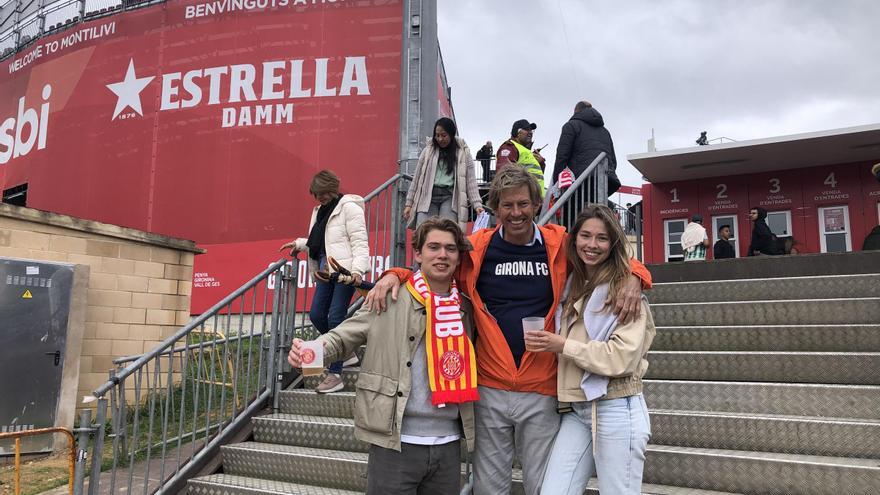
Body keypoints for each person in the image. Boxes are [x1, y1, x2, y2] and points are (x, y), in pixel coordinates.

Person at [365, 166, 652, 495]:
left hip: (541, 389)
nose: (516, 213)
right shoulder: (475, 249)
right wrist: (395, 274)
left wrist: (635, 276)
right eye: (507, 205)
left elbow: (605, 250)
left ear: (537, 204)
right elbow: (434, 267)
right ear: (495, 208)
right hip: (489, 388)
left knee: (542, 487)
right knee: (490, 488)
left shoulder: (559, 243)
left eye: (523, 204)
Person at [287, 217, 478, 494]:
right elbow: (343, 337)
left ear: (459, 257)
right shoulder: (388, 297)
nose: (442, 255)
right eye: (433, 247)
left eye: (450, 249)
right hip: (395, 442)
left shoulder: (467, 307)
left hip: (448, 446)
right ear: (418, 253)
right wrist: (309, 354)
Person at [526, 204, 655, 495]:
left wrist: (562, 345)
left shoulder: (626, 292)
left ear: (613, 244)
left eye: (602, 238)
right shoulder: (573, 281)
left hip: (616, 405)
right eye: (585, 236)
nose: (592, 245)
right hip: (578, 408)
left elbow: (620, 358)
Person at [280, 170, 368, 393]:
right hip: (324, 270)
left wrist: (357, 270)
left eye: (323, 193)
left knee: (336, 316)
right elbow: (321, 239)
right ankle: (346, 353)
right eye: (316, 194)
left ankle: (335, 374)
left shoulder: (349, 208)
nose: (319, 198)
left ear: (332, 189)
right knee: (317, 315)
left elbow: (359, 242)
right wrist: (300, 244)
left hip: (345, 271)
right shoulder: (319, 211)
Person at [403, 117, 485, 231]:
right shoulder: (428, 151)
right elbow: (417, 178)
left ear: (451, 134)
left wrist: (477, 205)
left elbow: (471, 182)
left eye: (444, 135)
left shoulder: (463, 153)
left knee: (447, 232)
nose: (440, 139)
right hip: (427, 198)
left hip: (449, 198)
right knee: (423, 232)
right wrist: (409, 204)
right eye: (437, 135)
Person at [551, 101, 621, 196]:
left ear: (576, 111)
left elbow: (562, 156)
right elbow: (613, 160)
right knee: (595, 209)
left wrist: (556, 182)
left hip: (580, 181)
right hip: (606, 180)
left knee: (574, 209)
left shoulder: (571, 125)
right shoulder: (605, 132)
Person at [496, 118, 546, 196]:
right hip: (524, 202)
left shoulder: (525, 151)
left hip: (535, 201)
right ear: (518, 132)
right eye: (527, 129)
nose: (530, 133)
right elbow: (504, 174)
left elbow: (536, 177)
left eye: (531, 130)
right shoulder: (509, 147)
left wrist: (541, 164)